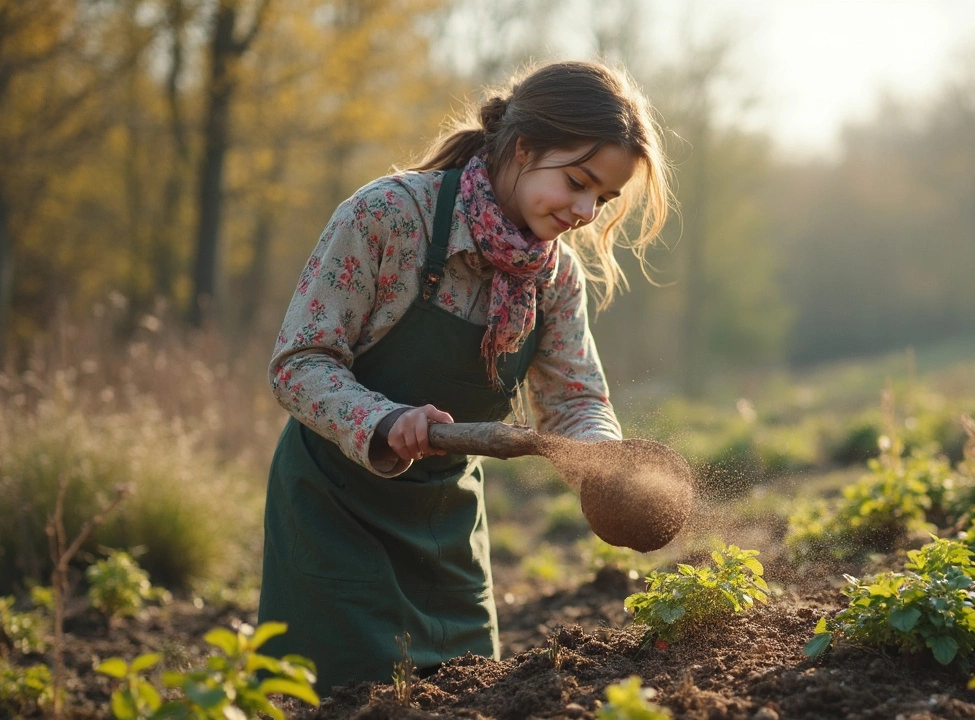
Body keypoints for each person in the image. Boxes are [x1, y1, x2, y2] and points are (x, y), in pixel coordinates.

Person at [258, 60, 673, 694]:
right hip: (332, 518)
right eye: (578, 182)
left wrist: (603, 461)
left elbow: (574, 400)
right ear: (524, 147)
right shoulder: (391, 218)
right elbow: (300, 362)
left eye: (604, 198)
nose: (587, 211)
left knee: (466, 697)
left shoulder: (555, 276)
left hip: (445, 529)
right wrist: (384, 420)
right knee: (335, 699)